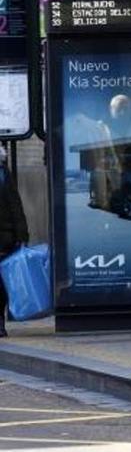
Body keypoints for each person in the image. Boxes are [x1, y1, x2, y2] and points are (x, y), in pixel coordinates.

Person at [0, 145, 29, 338]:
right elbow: (15, 206)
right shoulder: (3, 174)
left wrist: (21, 236)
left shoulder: (3, 174)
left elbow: (15, 206)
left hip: (4, 238)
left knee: (1, 282)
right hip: (6, 236)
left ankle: (0, 322)